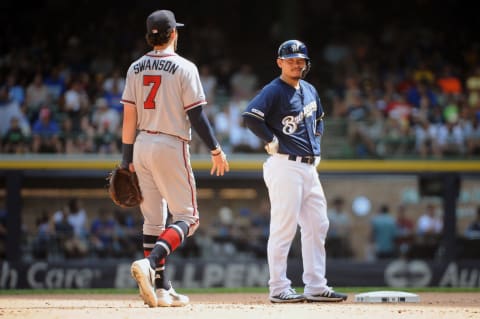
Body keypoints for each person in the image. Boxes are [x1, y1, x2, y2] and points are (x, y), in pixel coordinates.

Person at [120, 9, 229, 308]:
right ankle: (151, 263)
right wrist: (215, 149)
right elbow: (195, 114)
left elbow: (129, 117)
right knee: (188, 218)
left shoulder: (135, 68)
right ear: (174, 33)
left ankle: (162, 289)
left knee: (153, 221)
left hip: (141, 144)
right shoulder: (185, 67)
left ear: (149, 35)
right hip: (170, 144)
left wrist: (125, 159)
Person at [242, 40, 347, 303]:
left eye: (300, 60)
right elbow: (250, 116)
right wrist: (269, 138)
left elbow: (319, 119)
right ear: (280, 63)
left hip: (310, 168)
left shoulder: (310, 89)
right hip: (285, 164)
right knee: (284, 227)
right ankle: (278, 287)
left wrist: (318, 140)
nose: (296, 64)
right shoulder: (274, 90)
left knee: (317, 224)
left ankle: (315, 285)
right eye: (290, 60)